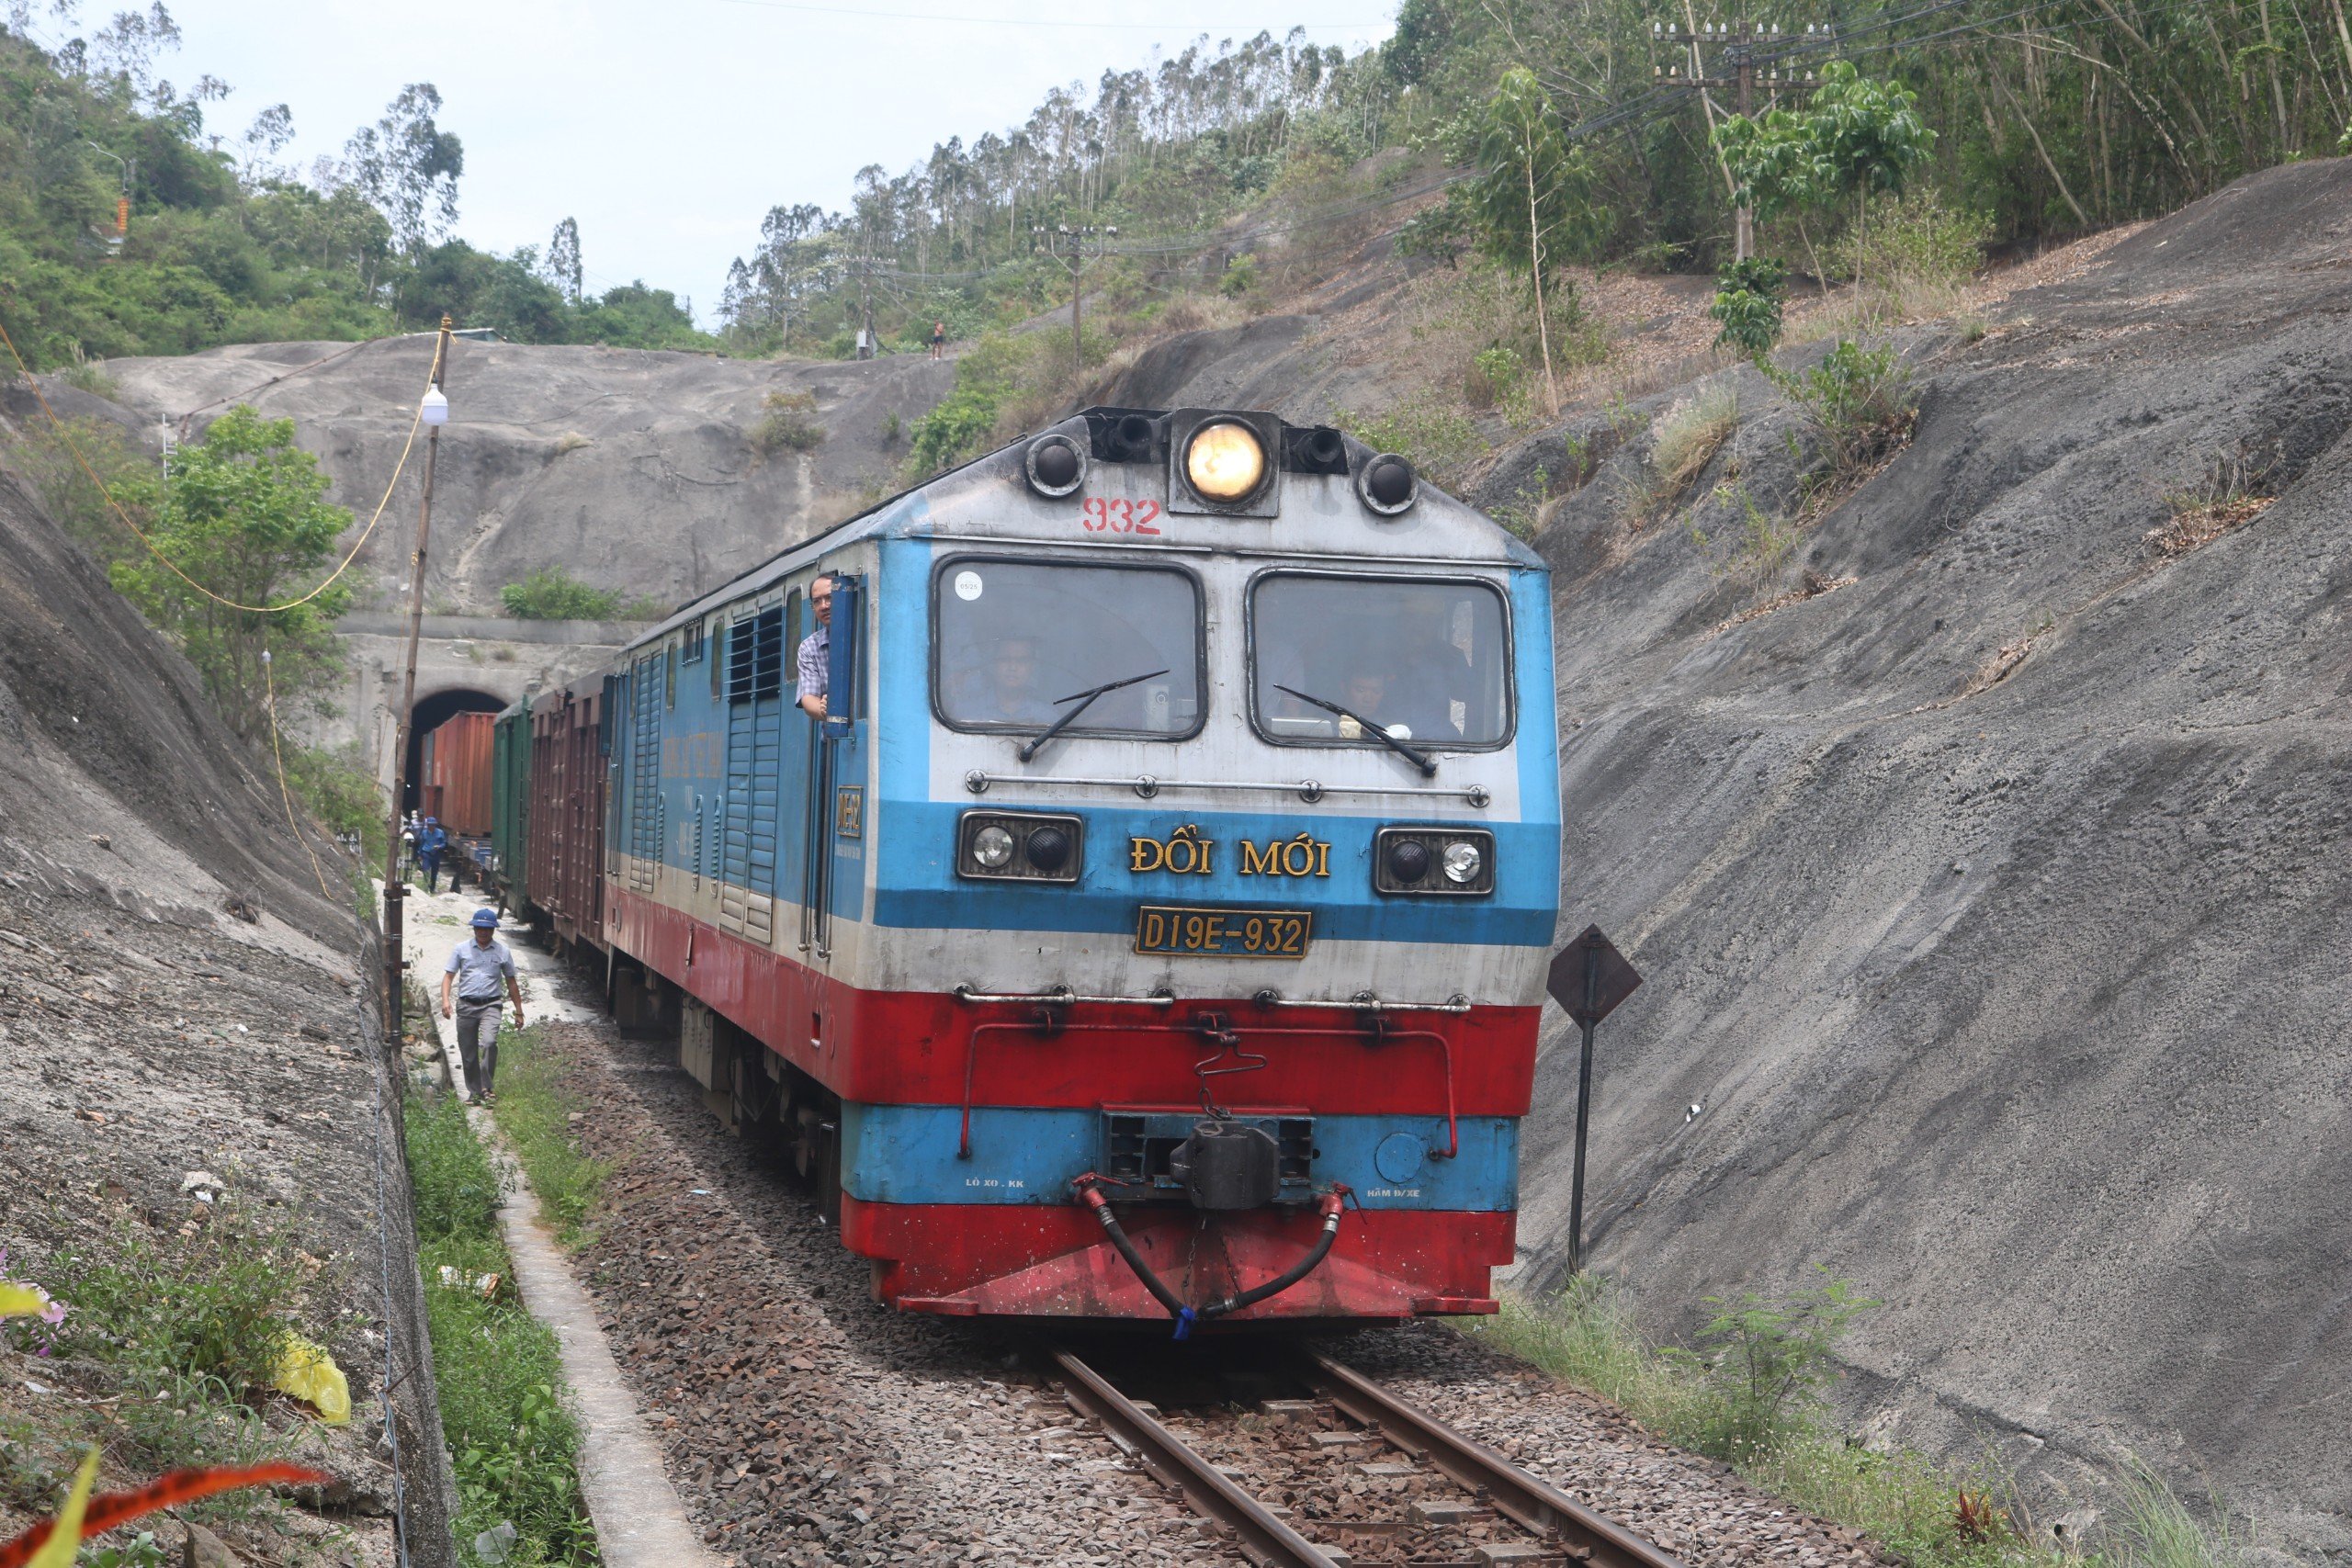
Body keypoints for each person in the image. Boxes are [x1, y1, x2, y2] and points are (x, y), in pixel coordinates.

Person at [442, 908, 525, 1103]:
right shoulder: (461, 949)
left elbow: (511, 982)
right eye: (479, 928)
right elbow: (448, 976)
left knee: (489, 1043)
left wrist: (519, 1012)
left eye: (487, 929)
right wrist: (445, 1001)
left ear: (494, 930)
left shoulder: (503, 952)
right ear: (474, 928)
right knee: (468, 1052)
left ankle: (486, 1086)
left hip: (491, 1005)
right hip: (466, 1006)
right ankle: (474, 1091)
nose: (483, 932)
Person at [795, 572, 834, 720]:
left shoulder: (868, 635)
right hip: (833, 740)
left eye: (830, 598)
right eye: (817, 601)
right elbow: (808, 697)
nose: (824, 606)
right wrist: (824, 709)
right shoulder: (809, 647)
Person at [416, 817, 448, 892]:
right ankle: (426, 886)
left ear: (435, 825)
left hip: (436, 854)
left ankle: (432, 888)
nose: (431, 826)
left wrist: (439, 846)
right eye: (430, 825)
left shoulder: (440, 832)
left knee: (434, 872)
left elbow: (444, 843)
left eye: (433, 825)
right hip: (426, 853)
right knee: (426, 870)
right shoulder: (424, 833)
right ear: (427, 825)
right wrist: (419, 854)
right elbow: (421, 844)